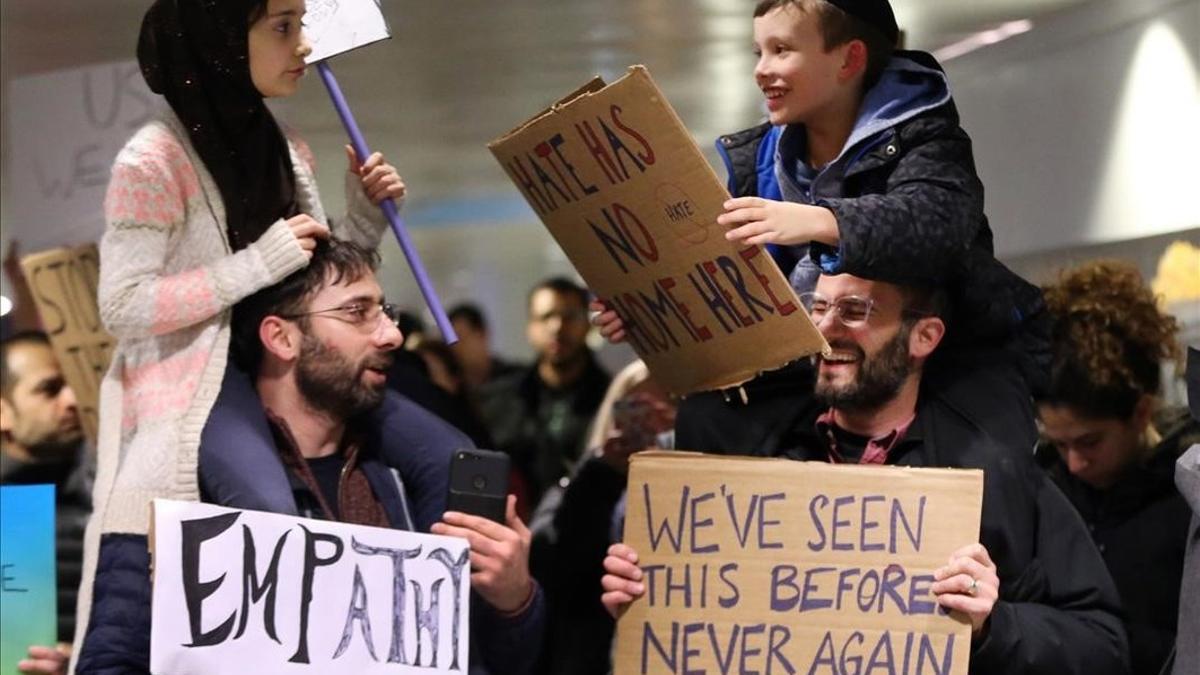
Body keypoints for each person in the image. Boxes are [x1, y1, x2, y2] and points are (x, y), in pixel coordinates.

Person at [75, 0, 406, 665]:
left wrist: (364, 220)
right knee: (267, 512)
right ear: (221, 39)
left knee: (444, 455)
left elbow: (312, 275)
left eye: (301, 23)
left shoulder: (285, 145)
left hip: (286, 380)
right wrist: (258, 261)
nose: (304, 45)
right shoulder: (151, 161)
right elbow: (122, 303)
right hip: (199, 393)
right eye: (283, 26)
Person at [601, 272, 1130, 675]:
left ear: (923, 336)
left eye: (855, 310)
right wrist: (650, 596)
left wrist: (992, 626)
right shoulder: (747, 466)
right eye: (820, 308)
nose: (827, 328)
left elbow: (1103, 644)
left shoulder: (994, 479)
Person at [590, 0, 1046, 457]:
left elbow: (939, 225)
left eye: (781, 50)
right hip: (815, 373)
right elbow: (737, 294)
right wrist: (652, 311)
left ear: (849, 59)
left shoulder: (927, 138)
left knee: (987, 465)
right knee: (709, 420)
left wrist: (819, 220)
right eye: (758, 53)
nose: (761, 71)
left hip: (937, 370)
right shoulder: (761, 162)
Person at [1034, 260, 1196, 675]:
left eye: (1089, 442)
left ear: (1141, 412)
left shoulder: (1188, 500)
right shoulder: (1044, 491)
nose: (1074, 462)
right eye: (1059, 443)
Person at [529, 360, 676, 675]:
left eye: (666, 411)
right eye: (637, 413)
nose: (651, 428)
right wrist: (600, 473)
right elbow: (551, 566)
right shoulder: (584, 483)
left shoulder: (692, 496)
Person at [1, 332, 91, 675]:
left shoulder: (111, 485)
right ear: (2, 412)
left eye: (73, 385)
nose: (71, 400)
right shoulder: (12, 513)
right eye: (49, 389)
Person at [480, 277, 611, 508]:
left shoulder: (613, 399)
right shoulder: (498, 401)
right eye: (545, 317)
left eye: (569, 316)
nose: (557, 327)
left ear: (587, 323)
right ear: (530, 326)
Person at [449, 302, 524, 393]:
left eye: (461, 338)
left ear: (483, 334)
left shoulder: (517, 379)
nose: (455, 348)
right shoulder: (453, 389)